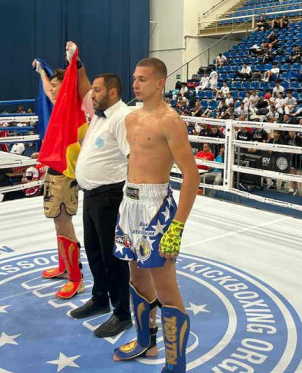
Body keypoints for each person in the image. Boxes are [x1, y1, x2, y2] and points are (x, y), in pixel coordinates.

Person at [113, 57, 199, 371]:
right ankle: (145, 341)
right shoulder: (131, 119)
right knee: (136, 276)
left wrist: (177, 227)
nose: (135, 84)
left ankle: (176, 366)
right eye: (134, 78)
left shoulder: (170, 121)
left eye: (143, 79)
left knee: (166, 288)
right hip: (130, 204)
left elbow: (191, 175)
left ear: (160, 83)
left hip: (156, 207)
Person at [65, 42, 133, 336]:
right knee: (93, 251)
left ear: (113, 93)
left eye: (97, 90)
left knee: (112, 257)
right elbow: (82, 89)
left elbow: (133, 158)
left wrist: (132, 200)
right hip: (92, 195)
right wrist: (77, 63)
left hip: (110, 196)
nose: (91, 94)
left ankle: (122, 313)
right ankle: (100, 299)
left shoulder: (122, 117)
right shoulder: (98, 113)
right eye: (92, 90)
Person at [31, 60, 85, 299]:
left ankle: (76, 278)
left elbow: (67, 84)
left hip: (65, 172)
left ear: (67, 87)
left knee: (64, 224)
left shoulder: (72, 106)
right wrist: (42, 72)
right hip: (55, 170)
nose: (51, 90)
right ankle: (64, 267)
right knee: (58, 222)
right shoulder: (60, 107)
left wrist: (73, 60)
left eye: (56, 86)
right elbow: (47, 90)